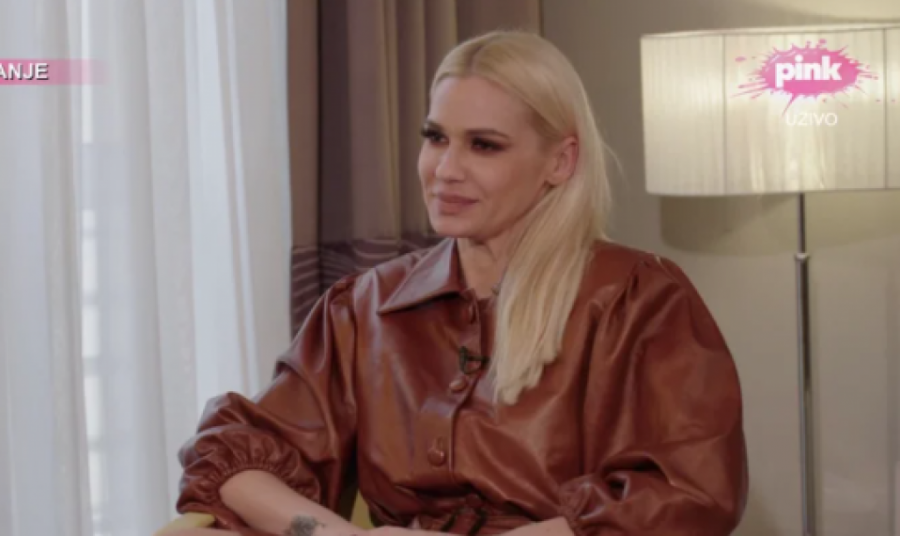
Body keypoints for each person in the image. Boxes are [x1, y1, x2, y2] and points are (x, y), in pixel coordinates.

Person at [170, 30, 748, 536]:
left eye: (484, 145)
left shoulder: (639, 299)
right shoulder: (364, 307)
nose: (445, 170)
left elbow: (687, 492)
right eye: (436, 137)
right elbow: (233, 458)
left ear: (561, 161)